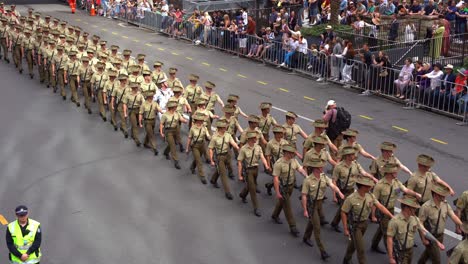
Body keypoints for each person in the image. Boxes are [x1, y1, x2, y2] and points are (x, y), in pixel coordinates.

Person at [370, 163, 422, 254]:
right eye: (395, 172)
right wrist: (373, 215)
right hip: (381, 210)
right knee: (387, 232)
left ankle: (374, 244)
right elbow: (374, 201)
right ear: (390, 173)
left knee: (382, 228)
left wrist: (416, 194)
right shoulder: (379, 185)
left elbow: (405, 190)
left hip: (391, 209)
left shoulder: (396, 182)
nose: (397, 173)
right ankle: (393, 254)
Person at [341, 176, 394, 264]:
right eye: (369, 186)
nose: (371, 187)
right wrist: (346, 228)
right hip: (355, 226)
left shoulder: (370, 196)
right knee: (361, 249)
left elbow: (380, 206)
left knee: (354, 243)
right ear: (362, 186)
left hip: (364, 224)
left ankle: (346, 259)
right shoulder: (351, 198)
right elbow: (343, 212)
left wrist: (391, 216)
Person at [301, 158, 344, 260]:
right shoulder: (308, 180)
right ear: (316, 168)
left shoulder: (324, 177)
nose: (323, 167)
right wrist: (305, 210)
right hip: (312, 204)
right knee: (317, 227)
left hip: (320, 203)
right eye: (321, 166)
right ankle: (323, 251)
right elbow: (304, 196)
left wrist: (340, 193)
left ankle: (306, 237)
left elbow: (332, 185)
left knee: (313, 222)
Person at [330, 146, 377, 232]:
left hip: (350, 189)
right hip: (341, 190)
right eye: (352, 155)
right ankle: (348, 227)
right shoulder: (339, 166)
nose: (354, 156)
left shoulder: (355, 164)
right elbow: (334, 181)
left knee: (344, 208)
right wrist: (335, 194)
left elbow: (363, 173)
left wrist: (373, 178)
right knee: (347, 209)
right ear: (347, 156)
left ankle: (335, 223)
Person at [387, 195, 445, 264]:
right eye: (413, 208)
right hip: (400, 251)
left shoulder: (415, 219)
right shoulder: (395, 221)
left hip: (410, 251)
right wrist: (391, 257)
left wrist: (437, 242)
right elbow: (389, 239)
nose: (415, 210)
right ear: (406, 208)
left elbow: (424, 231)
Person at [418, 182, 463, 264]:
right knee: (436, 260)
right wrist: (423, 239)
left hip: (440, 236)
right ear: (435, 194)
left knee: (428, 254)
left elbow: (454, 216)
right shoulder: (426, 207)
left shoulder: (445, 205)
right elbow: (420, 224)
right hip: (431, 237)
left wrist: (462, 226)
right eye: (442, 195)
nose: (444, 196)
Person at [271, 144, 308, 237]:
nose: (293, 155)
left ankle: (275, 215)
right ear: (287, 153)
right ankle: (293, 226)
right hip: (282, 187)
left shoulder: (293, 161)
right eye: (292, 153)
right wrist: (277, 192)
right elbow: (275, 178)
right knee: (287, 206)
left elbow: (300, 169)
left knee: (282, 202)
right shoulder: (279, 164)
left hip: (291, 186)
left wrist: (307, 177)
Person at [238, 132, 270, 217]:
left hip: (256, 169)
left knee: (250, 185)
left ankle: (242, 194)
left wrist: (266, 165)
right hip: (248, 170)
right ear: (248, 139)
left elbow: (262, 157)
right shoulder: (244, 149)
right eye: (253, 138)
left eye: (255, 138)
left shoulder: (258, 147)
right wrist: (240, 175)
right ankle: (256, 208)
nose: (255, 140)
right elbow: (240, 162)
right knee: (252, 188)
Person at [209, 120, 240, 200]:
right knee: (223, 174)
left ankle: (213, 179)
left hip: (227, 155)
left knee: (220, 170)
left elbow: (232, 142)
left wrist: (237, 147)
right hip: (219, 157)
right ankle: (228, 192)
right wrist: (212, 160)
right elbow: (211, 149)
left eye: (225, 127)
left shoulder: (228, 135)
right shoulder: (214, 137)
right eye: (223, 127)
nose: (225, 128)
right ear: (219, 128)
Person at [160, 100, 188, 169]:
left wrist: (184, 121)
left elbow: (180, 119)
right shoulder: (165, 115)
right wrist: (161, 132)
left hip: (175, 130)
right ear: (171, 107)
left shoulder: (177, 113)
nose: (176, 107)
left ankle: (166, 152)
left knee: (171, 143)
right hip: (168, 131)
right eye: (175, 106)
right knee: (173, 146)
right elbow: (161, 124)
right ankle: (176, 161)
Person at [186, 113, 211, 184]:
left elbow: (208, 135)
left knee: (198, 158)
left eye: (202, 120)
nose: (201, 121)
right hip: (195, 146)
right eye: (200, 120)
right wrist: (187, 148)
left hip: (202, 144)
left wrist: (210, 138)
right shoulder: (192, 128)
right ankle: (202, 176)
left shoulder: (204, 127)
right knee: (199, 161)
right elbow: (189, 138)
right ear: (196, 120)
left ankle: (192, 167)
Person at [139, 90, 162, 155]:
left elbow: (158, 108)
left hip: (153, 120)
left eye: (152, 96)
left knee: (149, 132)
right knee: (151, 135)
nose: (152, 97)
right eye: (151, 96)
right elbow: (140, 114)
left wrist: (162, 111)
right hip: (147, 121)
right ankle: (154, 148)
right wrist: (140, 122)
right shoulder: (143, 104)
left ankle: (145, 143)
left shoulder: (154, 103)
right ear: (148, 97)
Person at [123, 82, 145, 147]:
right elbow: (124, 104)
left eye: (136, 87)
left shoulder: (140, 95)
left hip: (138, 110)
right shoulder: (127, 95)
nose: (136, 89)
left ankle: (133, 134)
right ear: (132, 88)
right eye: (135, 88)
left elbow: (143, 103)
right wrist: (125, 113)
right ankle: (137, 139)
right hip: (131, 110)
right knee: (135, 125)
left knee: (137, 123)